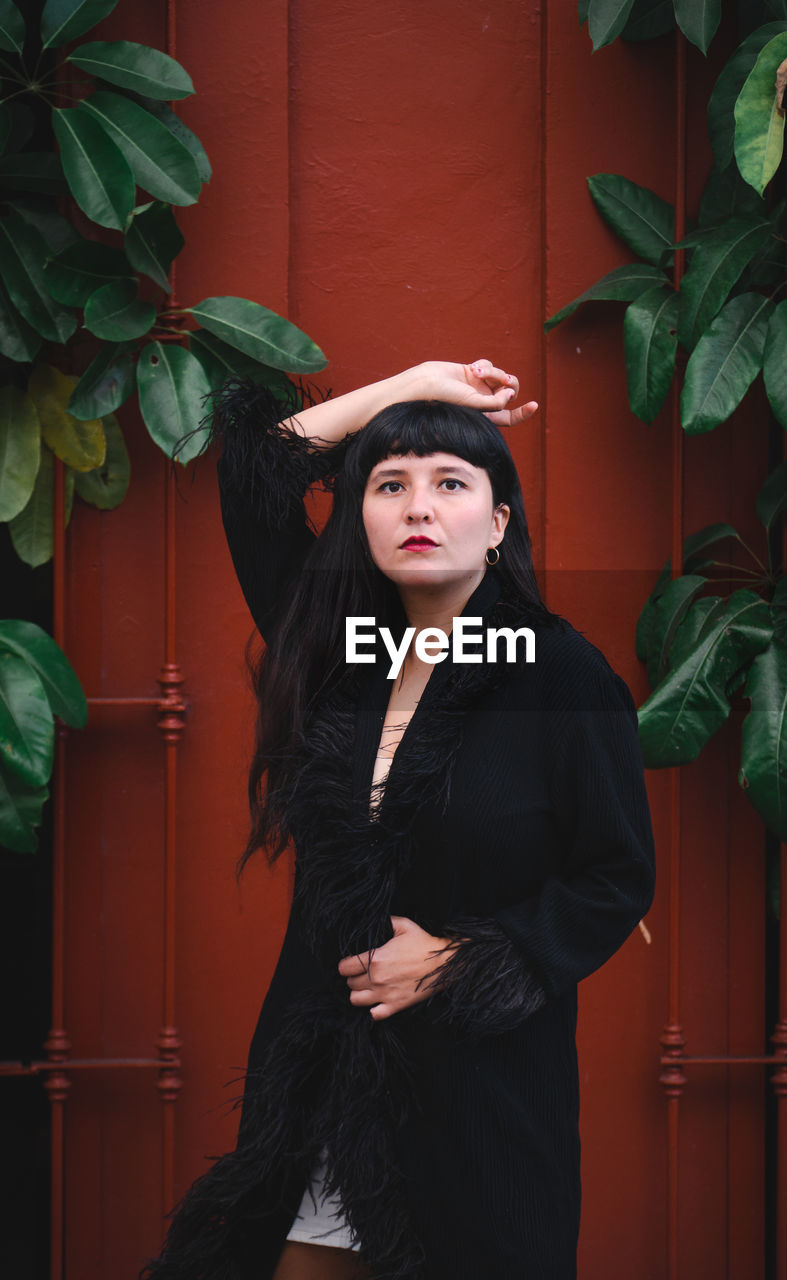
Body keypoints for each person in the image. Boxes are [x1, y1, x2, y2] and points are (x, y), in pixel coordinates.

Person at [140, 359, 656, 1280]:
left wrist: (465, 960)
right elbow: (254, 467)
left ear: (497, 524)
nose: (418, 506)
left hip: (477, 1095)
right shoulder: (337, 644)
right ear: (360, 519)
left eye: (451, 483)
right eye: (389, 485)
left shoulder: (562, 678)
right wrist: (418, 384)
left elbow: (614, 875)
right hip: (324, 1078)